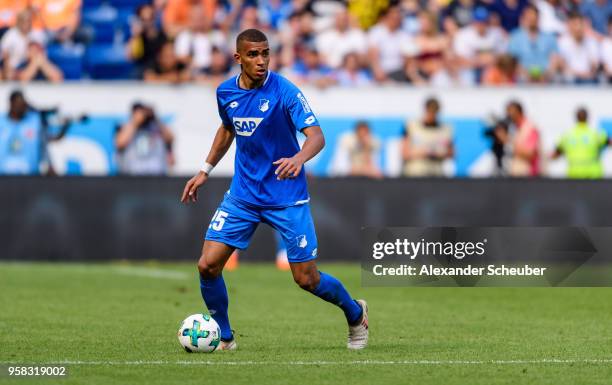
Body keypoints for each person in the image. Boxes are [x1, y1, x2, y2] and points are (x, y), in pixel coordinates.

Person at [180, 29, 368, 351]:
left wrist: (298, 158)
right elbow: (228, 129)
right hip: (244, 195)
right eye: (253, 55)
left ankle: (355, 313)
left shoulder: (285, 91)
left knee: (306, 279)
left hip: (286, 197)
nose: (262, 61)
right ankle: (225, 337)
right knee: (207, 265)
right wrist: (204, 170)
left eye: (266, 53)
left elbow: (317, 137)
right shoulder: (225, 92)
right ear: (238, 58)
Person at [0, 90, 67, 174]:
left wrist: (66, 126)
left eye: (23, 104)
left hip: (30, 177)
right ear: (11, 103)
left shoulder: (35, 121)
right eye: (18, 104)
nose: (22, 107)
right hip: (3, 177)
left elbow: (50, 140)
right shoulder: (1, 122)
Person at [115, 102, 174, 175]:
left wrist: (155, 118)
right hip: (131, 176)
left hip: (157, 175)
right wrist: (135, 122)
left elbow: (170, 138)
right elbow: (120, 143)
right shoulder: (125, 127)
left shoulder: (157, 127)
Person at [507, 5, 561, 83]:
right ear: (524, 18)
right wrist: (526, 75)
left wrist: (546, 75)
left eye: (534, 16)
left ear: (538, 18)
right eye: (529, 17)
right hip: (522, 78)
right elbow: (513, 61)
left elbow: (555, 59)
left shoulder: (549, 37)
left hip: (546, 78)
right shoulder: (515, 37)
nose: (532, 19)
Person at [402, 97, 454, 177]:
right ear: (425, 110)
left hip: (436, 174)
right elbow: (404, 153)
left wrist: (437, 154)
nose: (432, 115)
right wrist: (424, 152)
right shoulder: (412, 126)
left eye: (434, 112)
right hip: (415, 175)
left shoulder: (445, 129)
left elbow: (451, 153)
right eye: (430, 111)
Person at [551, 107, 609, 179]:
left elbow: (554, 155)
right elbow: (608, 142)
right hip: (593, 173)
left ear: (576, 118)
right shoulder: (595, 133)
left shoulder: (567, 135)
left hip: (574, 173)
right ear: (587, 118)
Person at [500, 100, 541, 176]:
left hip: (528, 176)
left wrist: (508, 142)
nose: (508, 115)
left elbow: (530, 155)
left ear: (518, 112)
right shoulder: (514, 129)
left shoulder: (529, 128)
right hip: (516, 176)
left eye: (510, 112)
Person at [557, 12, 599, 84]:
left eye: (580, 24)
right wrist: (580, 74)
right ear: (570, 26)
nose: (578, 28)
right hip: (569, 80)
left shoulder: (591, 42)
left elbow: (594, 66)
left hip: (589, 79)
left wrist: (589, 74)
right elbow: (562, 66)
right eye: (575, 24)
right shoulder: (562, 42)